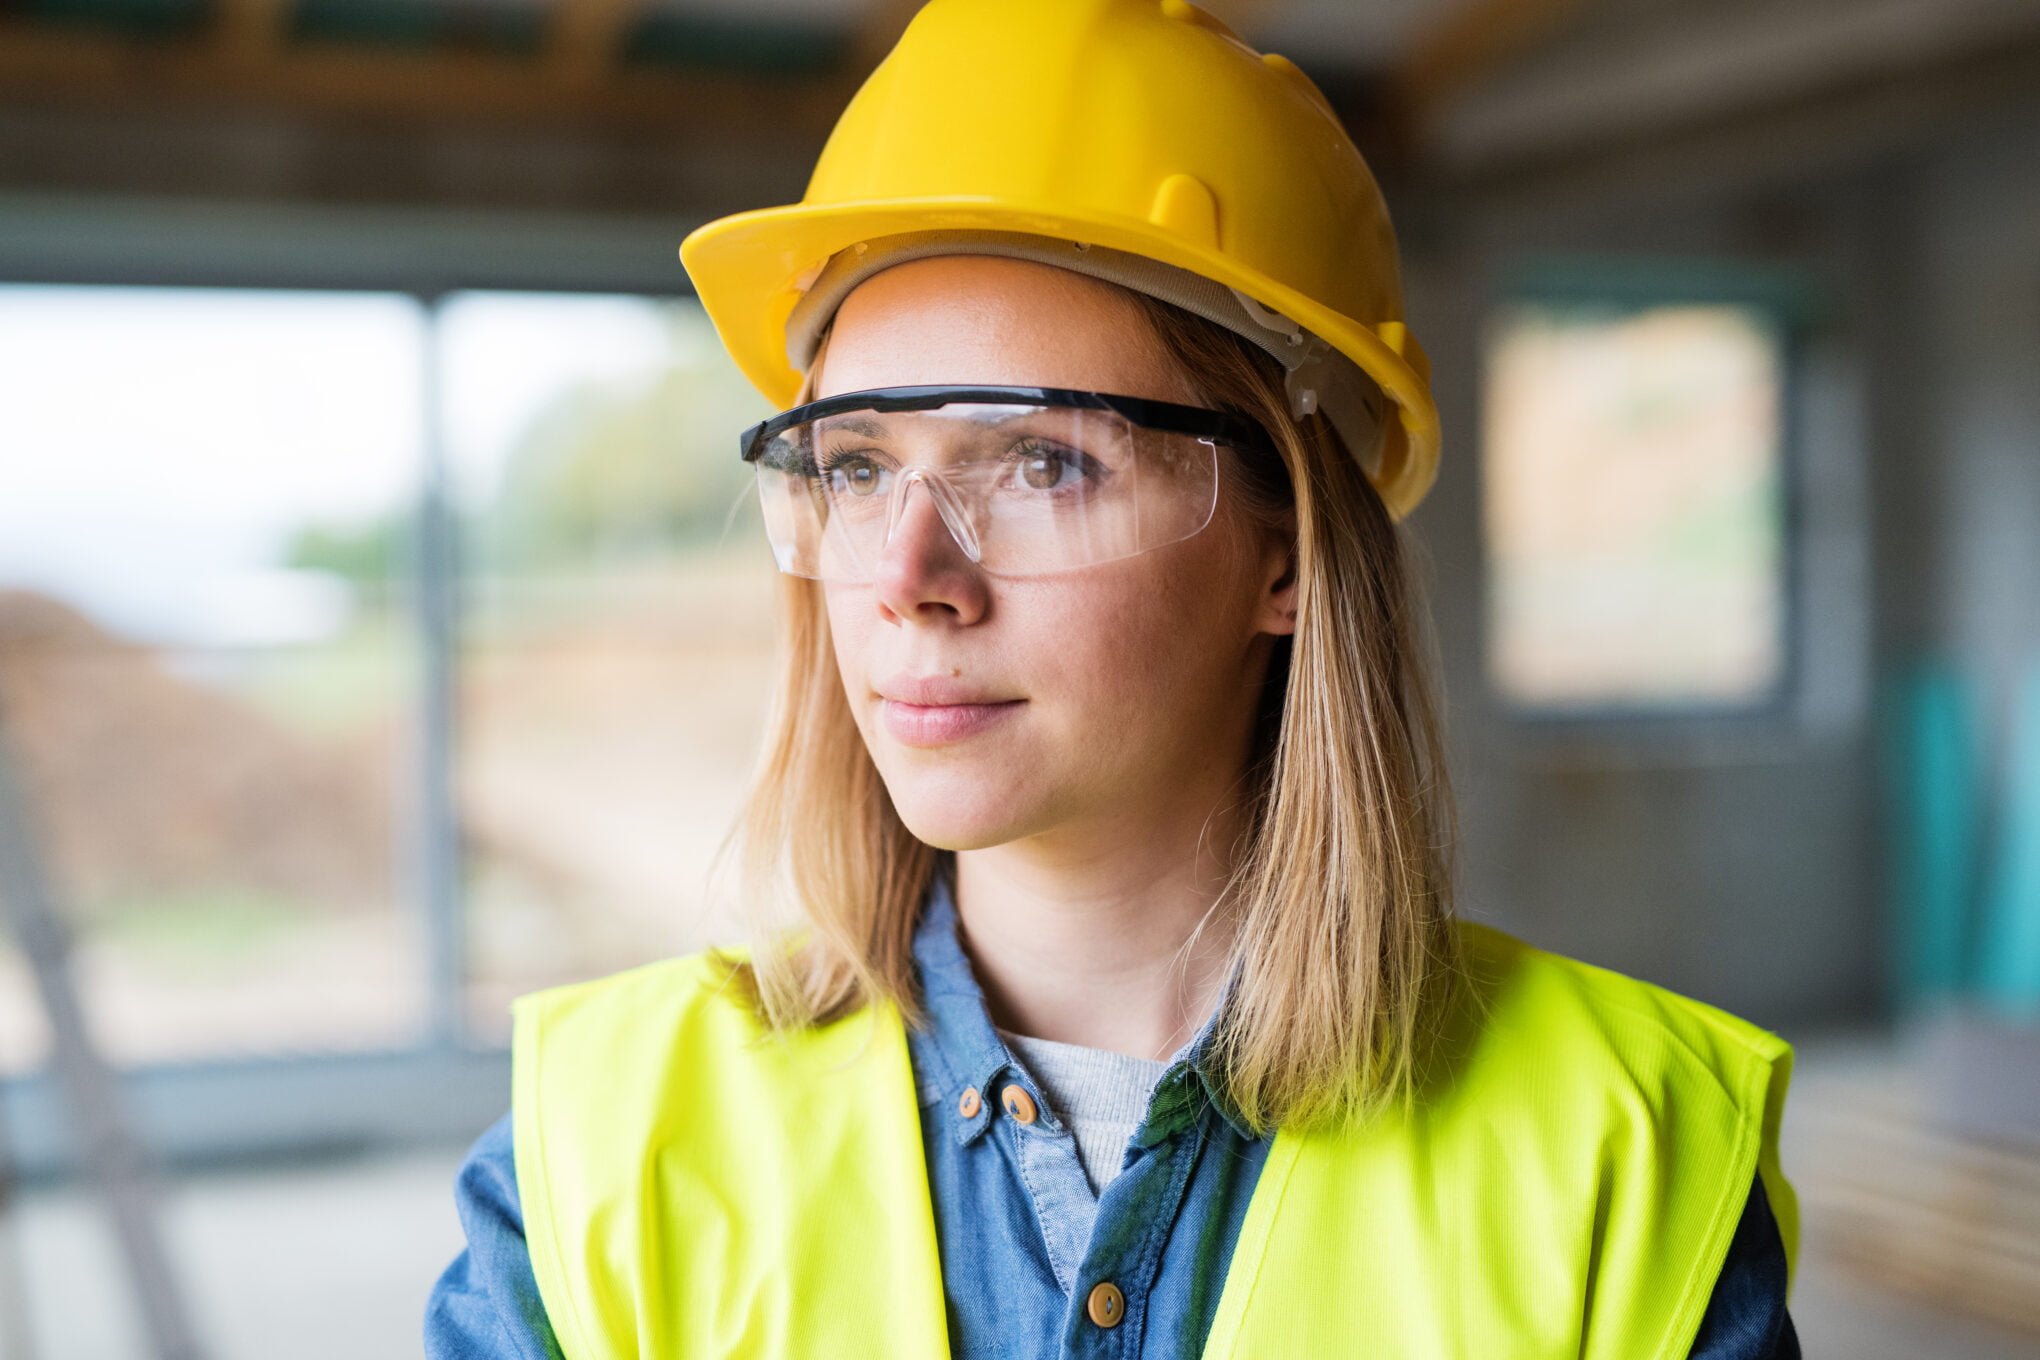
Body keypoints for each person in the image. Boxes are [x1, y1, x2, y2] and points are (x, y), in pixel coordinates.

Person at [427, 1, 1801, 1356]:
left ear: (1290, 555)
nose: (909, 574)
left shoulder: (1626, 1161)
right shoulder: (596, 1166)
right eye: (855, 467)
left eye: (1040, 463)